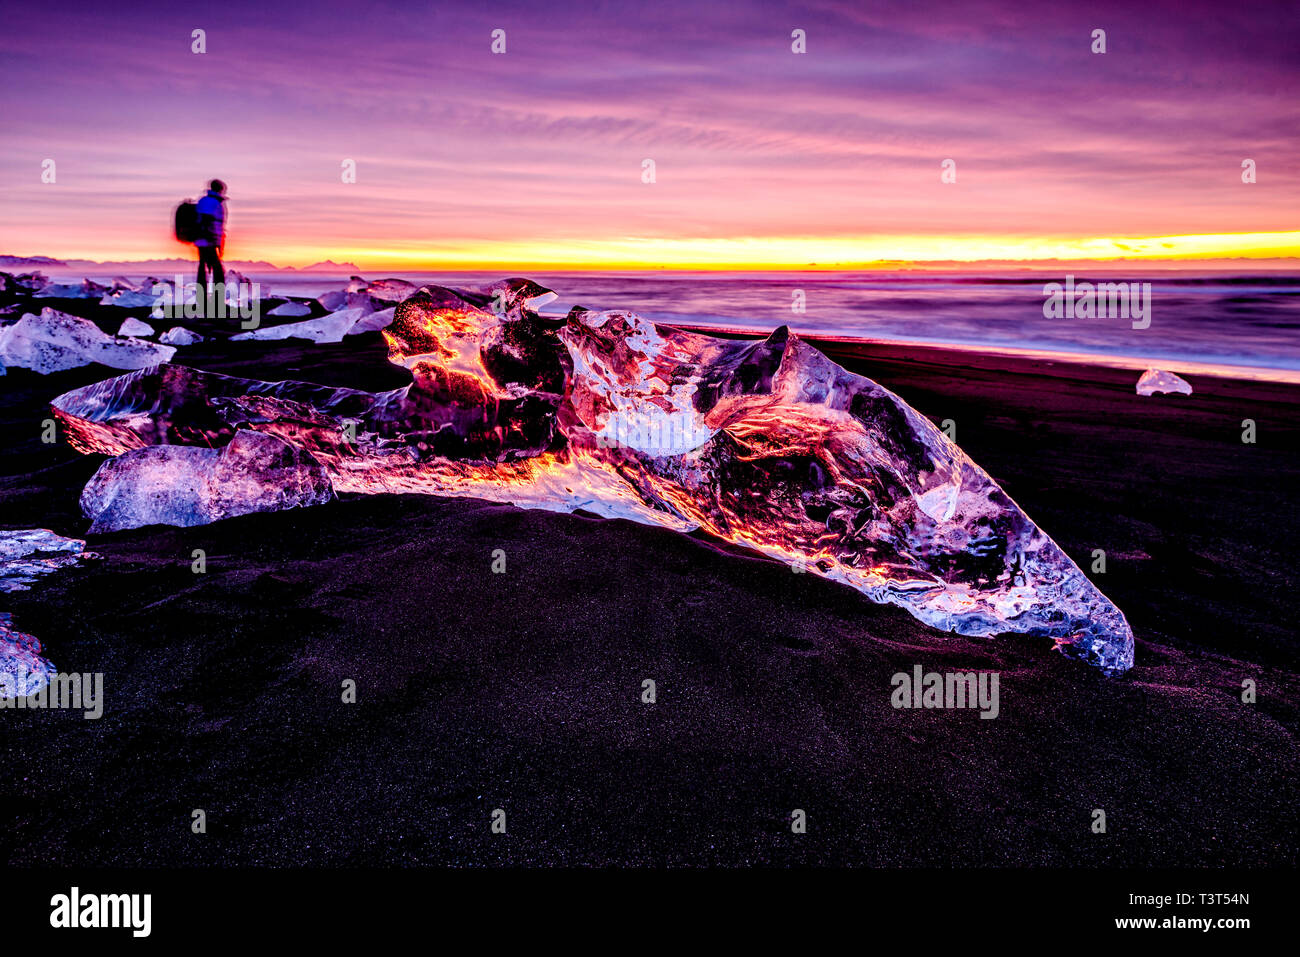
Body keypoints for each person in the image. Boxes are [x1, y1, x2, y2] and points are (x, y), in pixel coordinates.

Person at [194, 179, 227, 299]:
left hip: (204, 239)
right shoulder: (211, 202)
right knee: (217, 269)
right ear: (220, 189)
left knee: (204, 266)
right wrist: (213, 239)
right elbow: (207, 220)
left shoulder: (205, 201)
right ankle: (218, 298)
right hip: (208, 240)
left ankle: (202, 296)